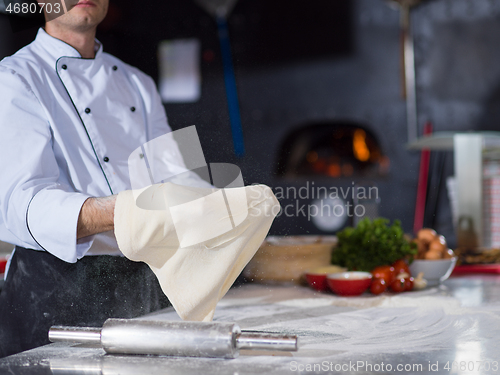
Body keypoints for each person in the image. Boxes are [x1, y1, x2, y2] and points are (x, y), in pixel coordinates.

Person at [0, 0, 180, 357]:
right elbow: (21, 202)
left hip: (141, 285)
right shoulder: (13, 77)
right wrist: (124, 209)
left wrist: (227, 205)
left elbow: (178, 176)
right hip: (52, 292)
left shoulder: (138, 83)